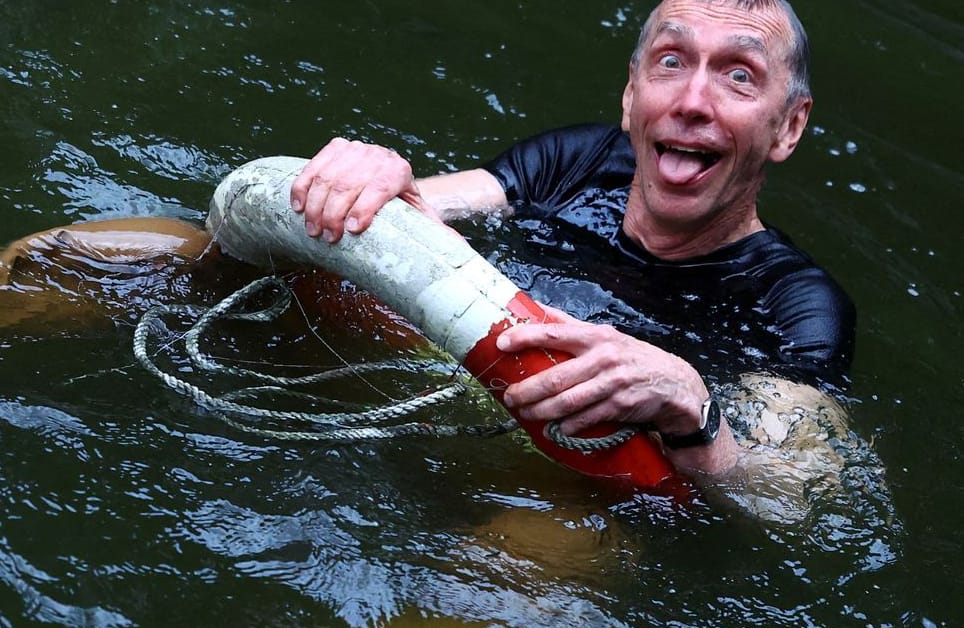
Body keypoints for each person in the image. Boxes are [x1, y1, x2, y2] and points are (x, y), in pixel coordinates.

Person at [287, 0, 855, 479]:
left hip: (572, 489)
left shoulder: (795, 306)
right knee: (202, 249)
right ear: (632, 97)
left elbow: (791, 497)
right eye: (672, 62)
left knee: (533, 554)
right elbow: (408, 207)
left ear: (788, 126)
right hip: (406, 391)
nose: (692, 102)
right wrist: (370, 177)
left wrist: (692, 404)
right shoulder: (578, 164)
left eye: (739, 76)